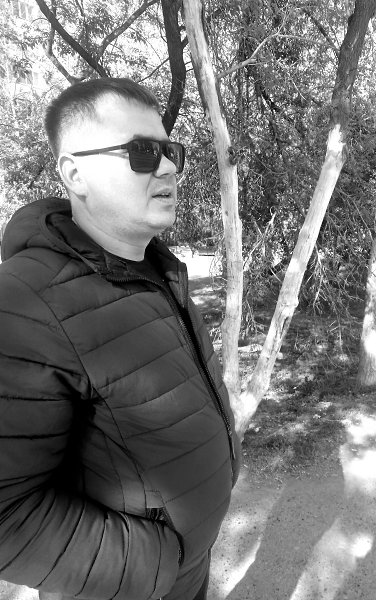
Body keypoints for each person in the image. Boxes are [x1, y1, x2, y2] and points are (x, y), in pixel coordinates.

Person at [0, 77, 240, 600]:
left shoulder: (156, 268)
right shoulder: (24, 302)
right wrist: (155, 565)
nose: (170, 168)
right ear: (75, 173)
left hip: (187, 575)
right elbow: (7, 516)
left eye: (171, 151)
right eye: (143, 152)